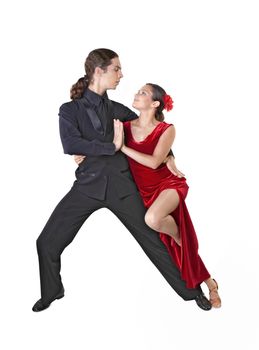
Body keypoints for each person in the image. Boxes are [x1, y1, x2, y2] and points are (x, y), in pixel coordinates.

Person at [32, 48, 211, 313]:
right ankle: (52, 291)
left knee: (155, 242)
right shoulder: (69, 110)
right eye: (116, 69)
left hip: (123, 189)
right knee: (46, 241)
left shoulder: (118, 110)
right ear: (99, 71)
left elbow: (151, 133)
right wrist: (110, 146)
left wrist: (170, 157)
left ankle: (192, 292)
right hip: (87, 187)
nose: (121, 75)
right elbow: (70, 143)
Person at [76, 83, 222, 308]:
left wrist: (123, 147)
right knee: (179, 246)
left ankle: (180, 238)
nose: (136, 93)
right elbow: (103, 145)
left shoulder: (167, 129)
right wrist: (85, 155)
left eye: (143, 93)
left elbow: (155, 162)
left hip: (168, 184)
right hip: (145, 192)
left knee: (153, 220)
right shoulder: (123, 126)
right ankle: (210, 282)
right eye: (138, 91)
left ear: (154, 104)